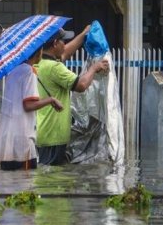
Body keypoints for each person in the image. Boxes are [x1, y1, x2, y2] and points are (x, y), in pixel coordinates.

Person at [35, 26, 109, 166]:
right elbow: (81, 85)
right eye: (63, 41)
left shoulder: (40, 63)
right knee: (51, 180)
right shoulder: (55, 68)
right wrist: (94, 68)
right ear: (55, 43)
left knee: (48, 176)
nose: (65, 44)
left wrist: (83, 34)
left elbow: (65, 53)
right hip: (54, 136)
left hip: (44, 132)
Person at [0, 47, 63, 171]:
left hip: (8, 139)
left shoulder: (13, 71)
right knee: (25, 184)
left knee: (7, 184)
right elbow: (28, 105)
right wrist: (51, 100)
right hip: (23, 140)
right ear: (38, 53)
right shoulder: (29, 71)